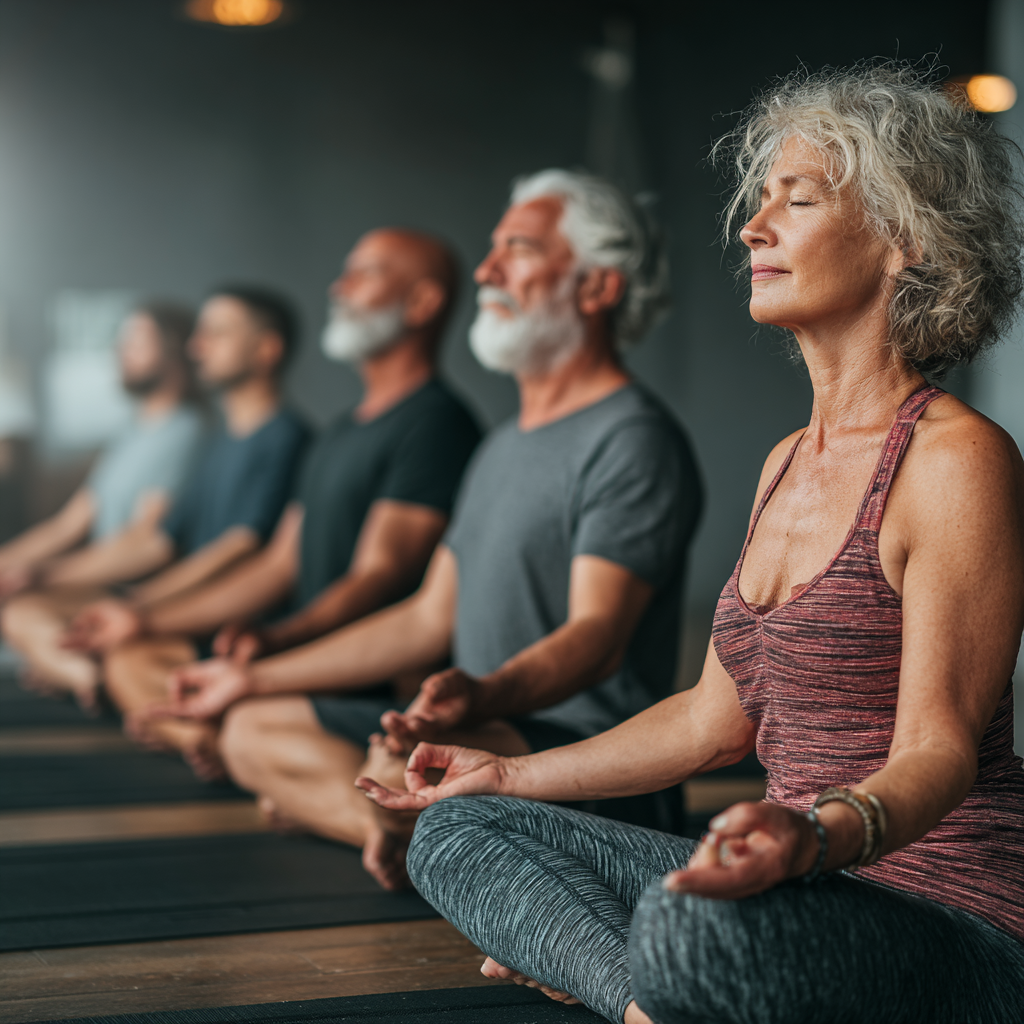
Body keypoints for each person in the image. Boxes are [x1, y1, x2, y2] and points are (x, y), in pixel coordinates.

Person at [359, 64, 1024, 1024]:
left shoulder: (958, 463)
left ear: (905, 239)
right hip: (795, 888)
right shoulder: (785, 463)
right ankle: (654, 1004)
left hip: (949, 917)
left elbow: (940, 752)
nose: (755, 227)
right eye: (760, 202)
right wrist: (506, 772)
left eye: (797, 201)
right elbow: (712, 723)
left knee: (689, 924)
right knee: (460, 832)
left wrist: (806, 840)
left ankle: (647, 975)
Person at [157, 169, 703, 889]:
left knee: (390, 768)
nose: (488, 269)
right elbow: (424, 618)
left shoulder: (632, 438)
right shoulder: (501, 445)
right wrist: (247, 676)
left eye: (521, 248)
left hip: (581, 754)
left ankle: (429, 836)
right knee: (253, 726)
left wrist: (483, 696)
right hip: (479, 728)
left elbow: (597, 638)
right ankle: (419, 844)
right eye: (492, 248)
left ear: (598, 288)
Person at [96, 229, 480, 778]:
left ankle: (239, 752)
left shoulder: (436, 423)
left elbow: (381, 573)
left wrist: (281, 639)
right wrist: (144, 617)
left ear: (422, 303)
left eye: (364, 273)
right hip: (297, 654)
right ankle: (227, 747)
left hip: (357, 675)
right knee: (134, 657)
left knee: (245, 719)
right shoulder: (339, 431)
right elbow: (280, 563)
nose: (339, 287)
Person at [2, 287, 310, 712]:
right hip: (173, 608)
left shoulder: (283, 438)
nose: (197, 346)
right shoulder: (221, 442)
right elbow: (162, 538)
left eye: (216, 333)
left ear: (266, 349)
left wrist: (139, 606)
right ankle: (93, 677)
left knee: (121, 658)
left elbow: (242, 547)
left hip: (223, 625)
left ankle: (99, 682)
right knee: (36, 619)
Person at [0, 302, 204, 601]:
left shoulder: (188, 432)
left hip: (134, 590)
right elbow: (68, 524)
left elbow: (147, 542)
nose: (121, 352)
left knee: (18, 612)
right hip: (97, 579)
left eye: (136, 342)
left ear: (174, 350)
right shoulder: (131, 430)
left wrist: (46, 575)